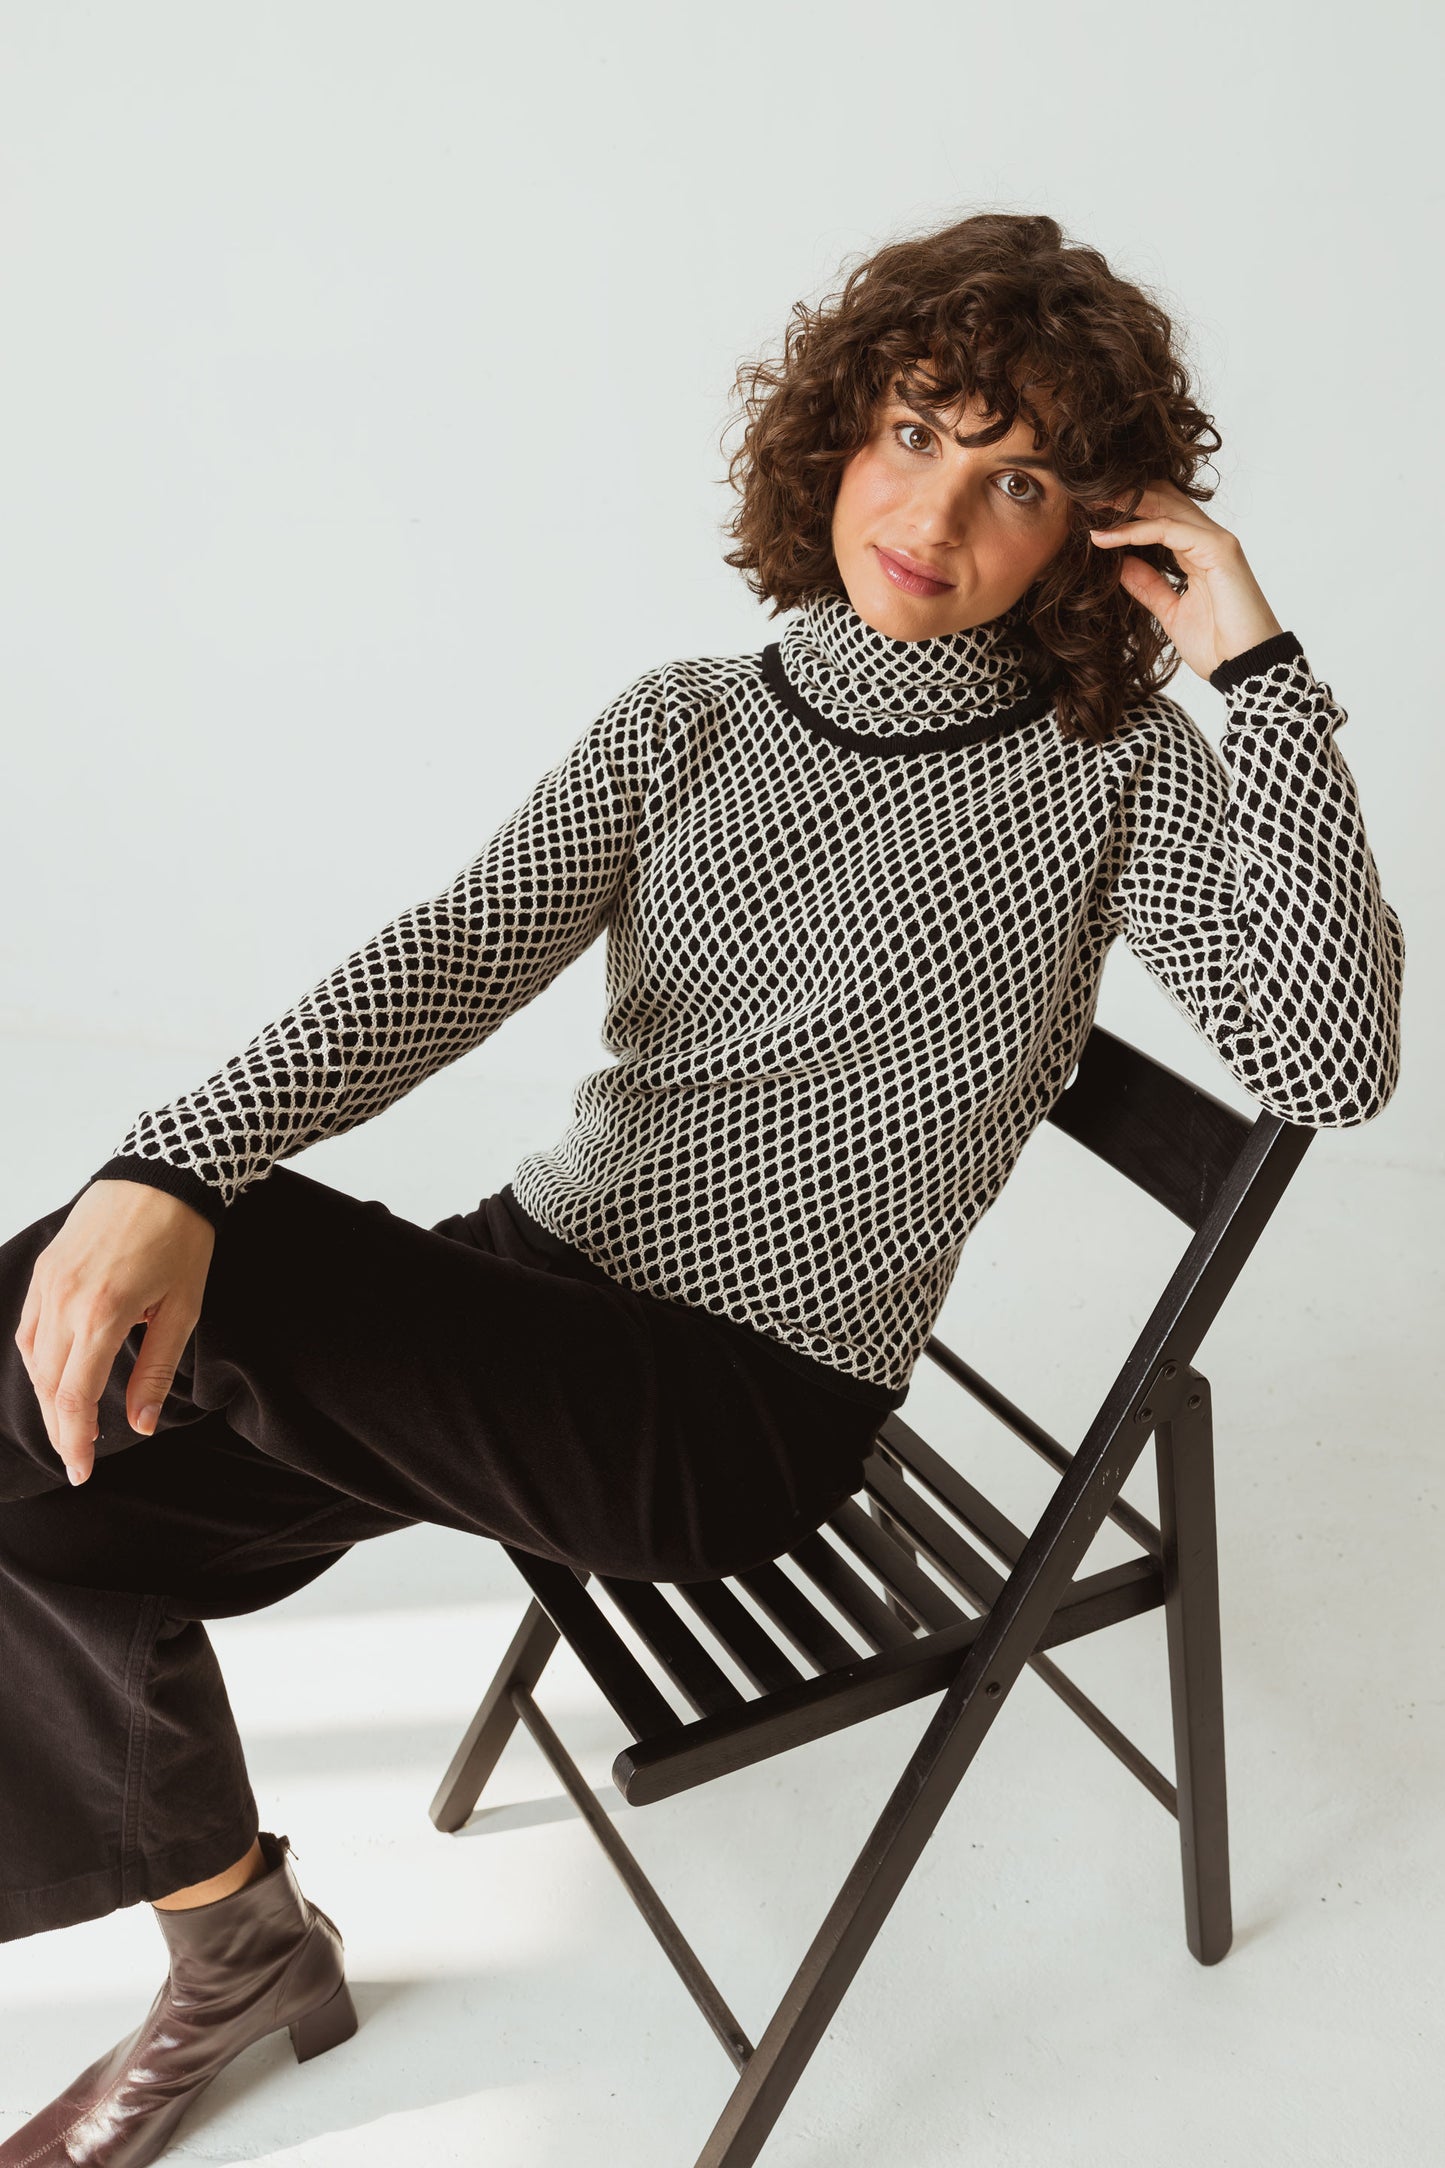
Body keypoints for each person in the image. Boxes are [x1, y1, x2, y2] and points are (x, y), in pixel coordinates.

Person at [0, 208, 1404, 2166]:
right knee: (48, 1491)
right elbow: (448, 956)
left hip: (728, 1412)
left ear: (1094, 534)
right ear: (837, 431)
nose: (936, 511)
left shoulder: (1117, 766)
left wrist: (1260, 669)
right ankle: (236, 1943)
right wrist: (172, 1158)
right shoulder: (689, 720)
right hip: (521, 1303)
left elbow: (1329, 1060)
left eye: (1016, 481)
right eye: (914, 432)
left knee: (151, 1293)